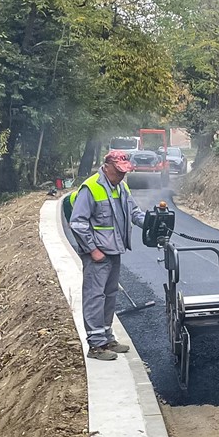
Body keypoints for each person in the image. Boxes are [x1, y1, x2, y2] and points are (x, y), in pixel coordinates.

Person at [68, 150, 147, 361]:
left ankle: (107, 336)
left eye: (125, 172)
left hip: (114, 250)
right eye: (119, 172)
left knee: (110, 294)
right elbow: (77, 223)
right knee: (95, 296)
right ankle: (96, 345)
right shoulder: (91, 187)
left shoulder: (121, 186)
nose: (122, 176)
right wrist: (93, 250)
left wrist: (151, 222)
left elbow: (134, 212)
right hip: (97, 253)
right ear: (107, 166)